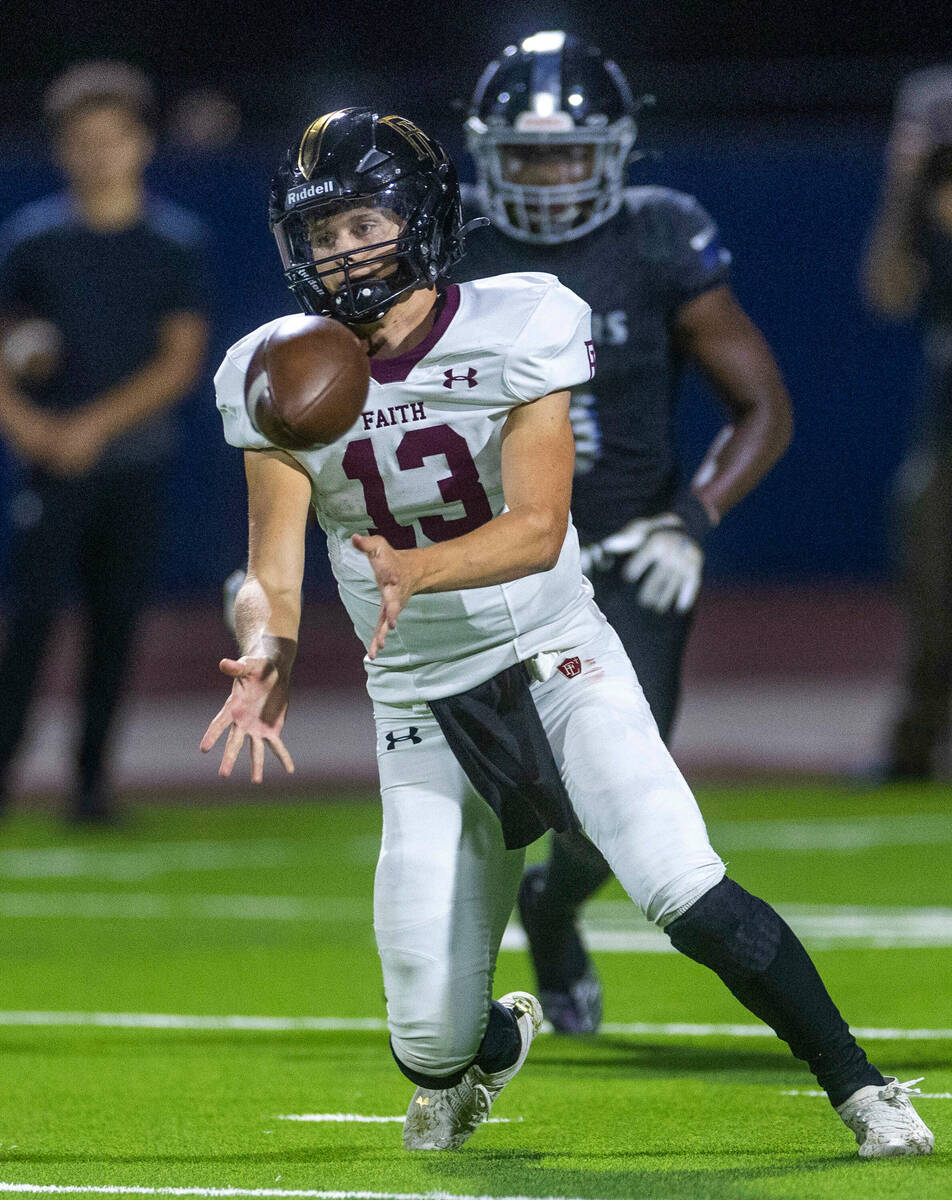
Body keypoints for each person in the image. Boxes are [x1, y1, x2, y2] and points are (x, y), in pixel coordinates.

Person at [201, 106, 932, 1158]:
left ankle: (861, 1090)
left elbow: (541, 530)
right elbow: (269, 570)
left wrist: (417, 567)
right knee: (424, 1039)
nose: (342, 252)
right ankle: (490, 1047)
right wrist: (263, 644)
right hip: (416, 702)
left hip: (553, 657)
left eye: (362, 222)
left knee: (681, 887)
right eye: (320, 235)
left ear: (420, 217)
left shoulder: (520, 316)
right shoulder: (267, 371)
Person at [457, 31, 794, 1033]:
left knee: (614, 804)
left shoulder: (657, 235)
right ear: (488, 155)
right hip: (499, 563)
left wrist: (692, 520)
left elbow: (762, 405)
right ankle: (453, 1003)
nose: (550, 175)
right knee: (502, 793)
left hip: (627, 557)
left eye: (568, 151)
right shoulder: (456, 252)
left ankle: (551, 910)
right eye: (526, 154)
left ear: (611, 150)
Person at [0, 61, 210, 822]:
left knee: (115, 627)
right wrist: (34, 428)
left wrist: (89, 428)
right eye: (80, 141)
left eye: (110, 139)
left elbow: (180, 360)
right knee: (28, 625)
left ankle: (91, 785)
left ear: (141, 144)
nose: (97, 154)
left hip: (133, 466)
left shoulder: (174, 245)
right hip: (51, 467)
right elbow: (9, 352)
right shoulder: (31, 246)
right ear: (60, 149)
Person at [864, 67, 952, 780]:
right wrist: (904, 185)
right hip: (945, 426)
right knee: (932, 586)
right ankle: (914, 745)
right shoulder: (927, 204)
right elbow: (888, 292)